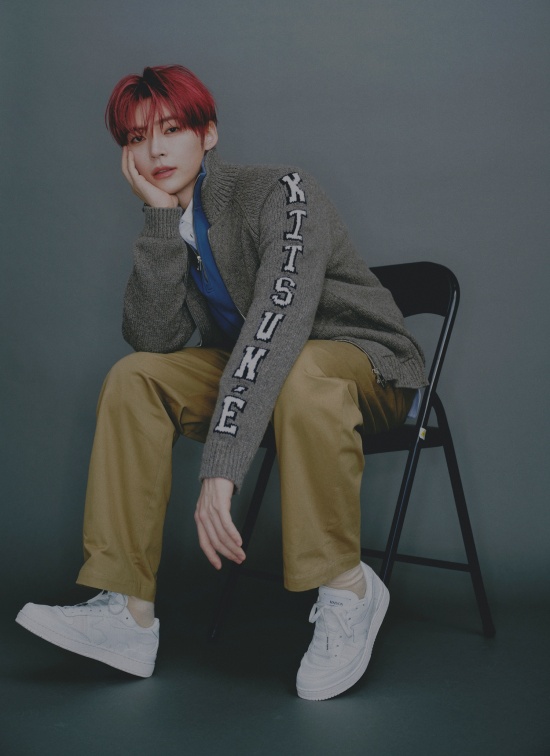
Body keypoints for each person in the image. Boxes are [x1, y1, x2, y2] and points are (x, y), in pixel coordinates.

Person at [16, 65, 427, 700]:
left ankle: (348, 588)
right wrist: (160, 224)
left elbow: (277, 326)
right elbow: (153, 338)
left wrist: (222, 468)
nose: (154, 151)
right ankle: (127, 611)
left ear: (208, 134)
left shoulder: (283, 192)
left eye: (171, 129)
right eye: (136, 138)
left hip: (364, 371)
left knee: (302, 373)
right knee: (135, 377)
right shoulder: (179, 223)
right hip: (262, 377)